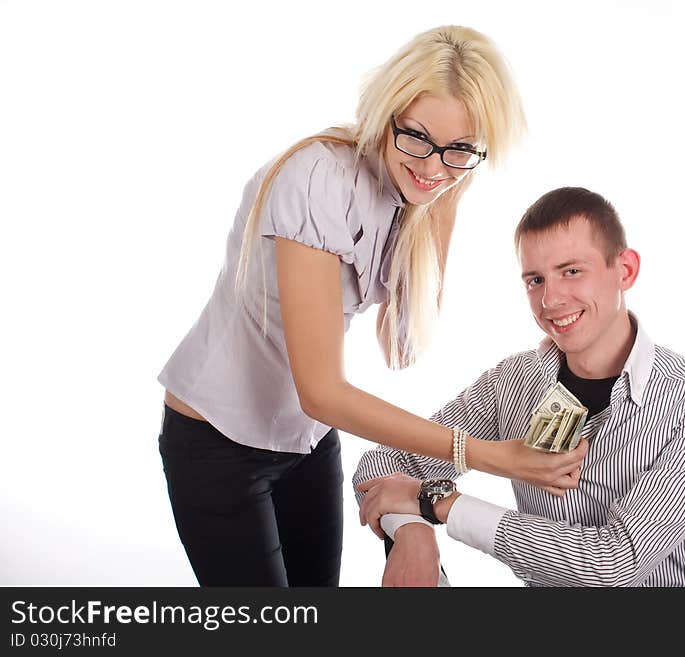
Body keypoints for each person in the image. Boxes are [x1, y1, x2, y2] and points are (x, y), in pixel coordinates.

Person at [157, 25, 587, 587]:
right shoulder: (320, 178)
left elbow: (402, 345)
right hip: (218, 442)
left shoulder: (419, 188)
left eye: (460, 148)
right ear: (387, 111)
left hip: (304, 438)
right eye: (417, 137)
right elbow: (323, 389)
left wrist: (443, 201)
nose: (433, 165)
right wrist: (489, 456)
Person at [354, 186, 685, 587]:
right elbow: (381, 466)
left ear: (624, 270)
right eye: (535, 280)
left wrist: (440, 505)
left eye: (572, 271)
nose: (550, 299)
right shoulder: (512, 383)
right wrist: (413, 531)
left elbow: (614, 563)